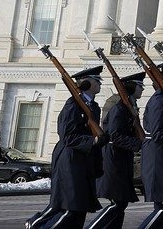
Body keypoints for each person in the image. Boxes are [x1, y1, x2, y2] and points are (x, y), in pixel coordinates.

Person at [28, 65, 104, 229]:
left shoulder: (93, 106)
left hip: (82, 161)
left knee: (80, 208)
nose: (100, 83)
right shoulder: (73, 105)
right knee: (70, 208)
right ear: (87, 83)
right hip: (70, 161)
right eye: (97, 80)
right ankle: (36, 225)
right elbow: (68, 136)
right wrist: (94, 141)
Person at [88, 71, 146, 229]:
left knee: (121, 203)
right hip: (114, 161)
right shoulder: (120, 109)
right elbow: (114, 136)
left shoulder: (128, 107)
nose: (143, 89)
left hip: (121, 160)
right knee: (118, 203)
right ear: (132, 87)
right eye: (140, 86)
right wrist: (139, 144)